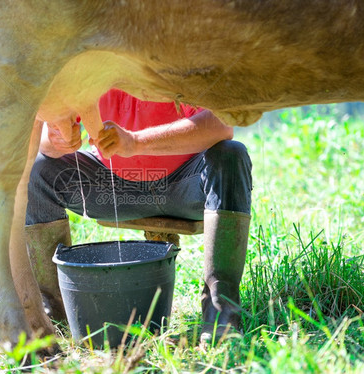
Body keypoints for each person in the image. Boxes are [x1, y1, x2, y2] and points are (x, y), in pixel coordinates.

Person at [25, 89, 252, 340]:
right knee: (38, 170)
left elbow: (221, 126)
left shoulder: (173, 55)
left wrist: (136, 142)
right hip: (112, 184)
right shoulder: (89, 65)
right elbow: (46, 142)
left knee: (232, 154)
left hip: (186, 183)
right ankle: (53, 314)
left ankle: (221, 310)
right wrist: (57, 139)